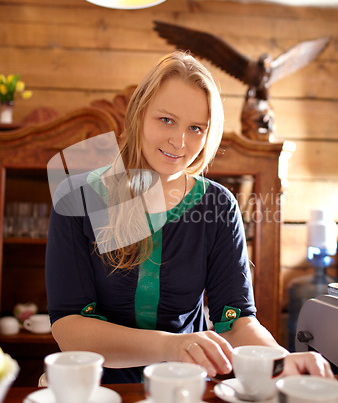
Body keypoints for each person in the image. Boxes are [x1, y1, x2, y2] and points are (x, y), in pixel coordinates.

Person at [45, 51, 333, 383]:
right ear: (139, 114)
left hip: (186, 389)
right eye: (166, 119)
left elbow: (237, 322)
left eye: (196, 128)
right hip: (96, 390)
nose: (179, 141)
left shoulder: (218, 205)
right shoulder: (77, 197)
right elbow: (70, 329)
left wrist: (281, 363)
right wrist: (172, 346)